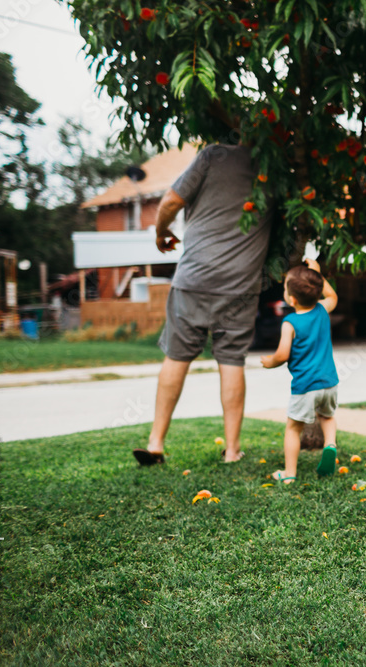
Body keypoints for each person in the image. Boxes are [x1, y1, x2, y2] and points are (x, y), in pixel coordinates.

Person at [132, 143, 271, 466]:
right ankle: (233, 450)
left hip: (195, 279)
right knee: (232, 361)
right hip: (241, 285)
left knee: (177, 357)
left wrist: (160, 233)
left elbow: (170, 201)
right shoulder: (278, 169)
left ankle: (156, 443)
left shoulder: (212, 155)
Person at [261, 260, 339, 483]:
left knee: (293, 429)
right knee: (328, 416)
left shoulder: (290, 322)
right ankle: (330, 444)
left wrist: (269, 362)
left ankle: (289, 474)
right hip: (330, 383)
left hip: (305, 386)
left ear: (292, 299)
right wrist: (317, 274)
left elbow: (283, 354)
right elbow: (332, 296)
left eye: (285, 287)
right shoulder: (323, 310)